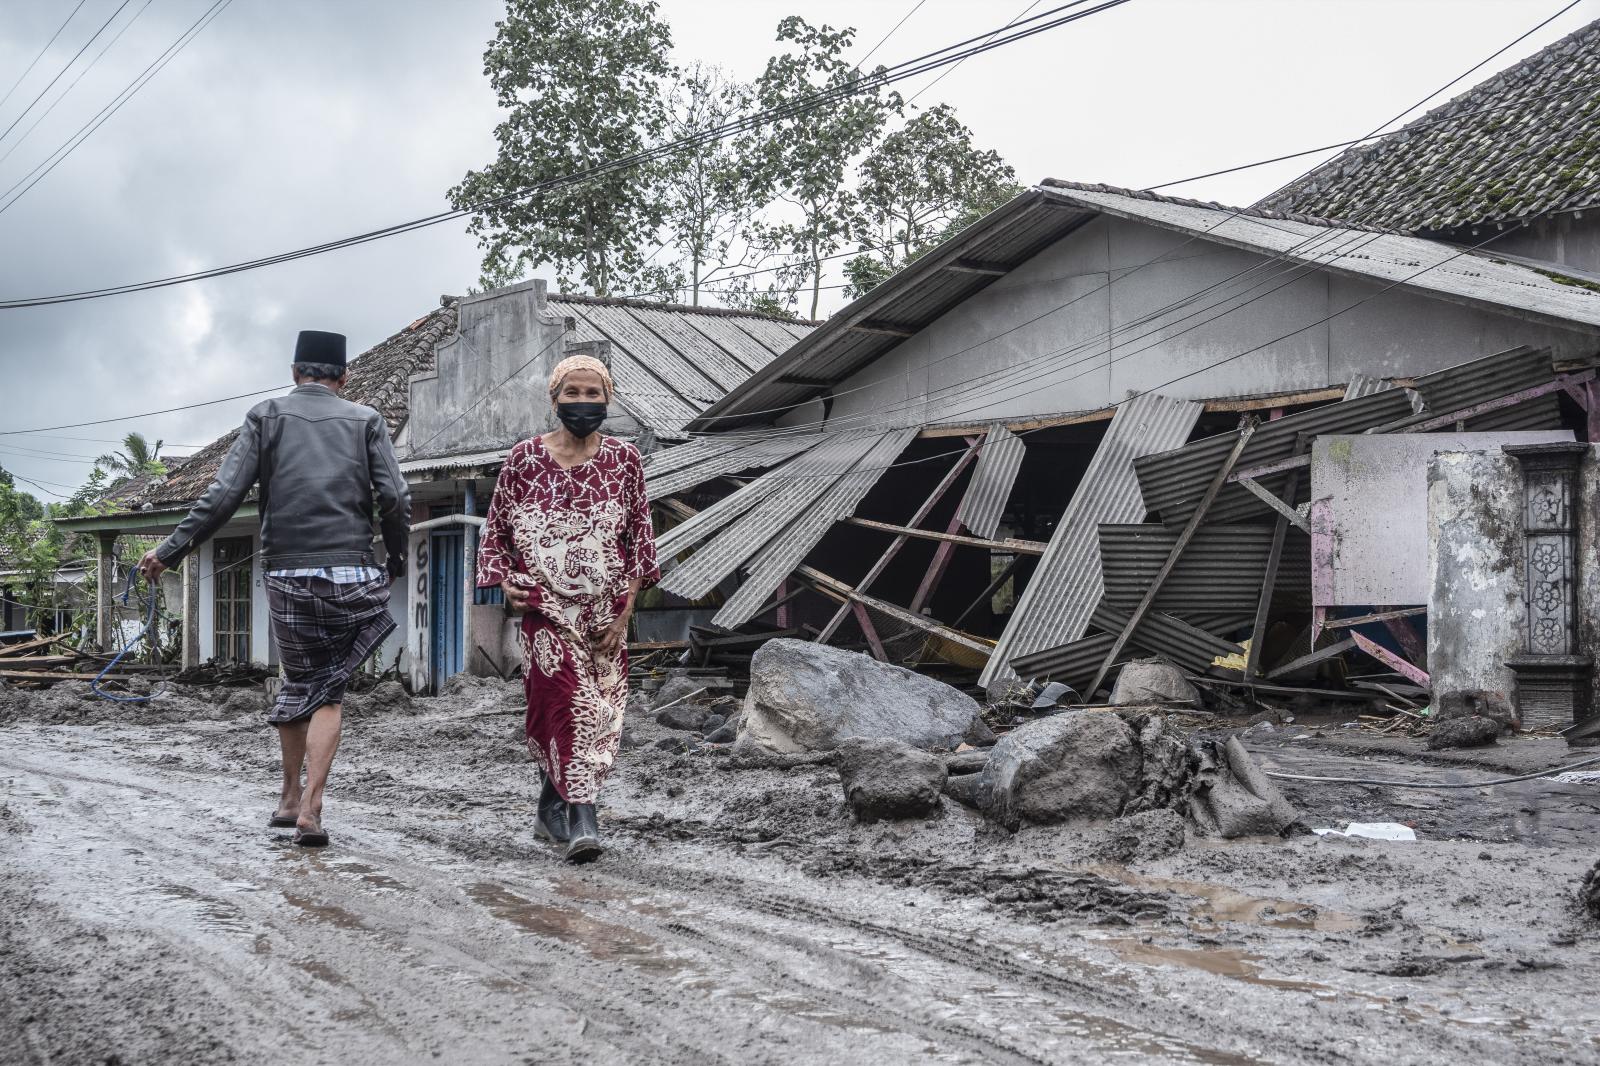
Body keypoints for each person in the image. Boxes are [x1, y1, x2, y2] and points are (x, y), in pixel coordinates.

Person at [138, 330, 410, 848]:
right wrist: (393, 558)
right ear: (343, 378)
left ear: (294, 373)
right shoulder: (366, 420)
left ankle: (288, 798)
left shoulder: (266, 417)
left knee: (299, 683)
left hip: (288, 573)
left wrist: (169, 550)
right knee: (329, 691)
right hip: (353, 572)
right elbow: (395, 497)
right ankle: (313, 807)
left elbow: (223, 495)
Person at [476, 354, 658, 864]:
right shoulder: (524, 459)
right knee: (566, 703)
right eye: (572, 393)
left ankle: (546, 810)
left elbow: (639, 538)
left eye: (592, 393)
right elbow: (497, 530)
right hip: (544, 609)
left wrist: (626, 613)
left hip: (606, 611)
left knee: (600, 711)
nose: (583, 402)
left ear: (608, 398)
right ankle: (583, 819)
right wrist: (503, 586)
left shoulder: (625, 460)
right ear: (554, 399)